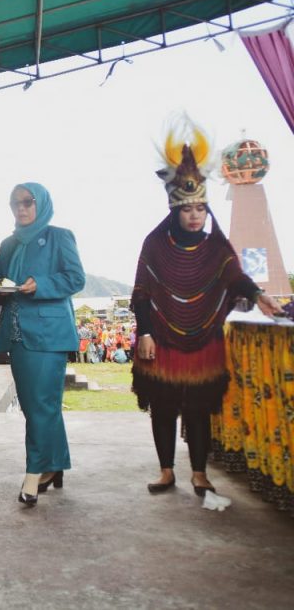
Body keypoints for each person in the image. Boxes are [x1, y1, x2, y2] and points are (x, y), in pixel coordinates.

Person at [132, 118, 282, 497]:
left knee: (199, 409)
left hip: (205, 343)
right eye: (187, 210)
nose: (195, 215)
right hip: (161, 340)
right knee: (164, 408)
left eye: (200, 208)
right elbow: (142, 293)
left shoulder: (217, 246)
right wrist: (145, 332)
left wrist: (262, 296)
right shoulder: (154, 243)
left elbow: (235, 276)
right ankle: (167, 471)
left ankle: (199, 473)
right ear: (175, 211)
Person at [0, 183, 84, 506]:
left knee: (40, 404)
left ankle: (34, 473)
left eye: (28, 202)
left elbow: (75, 278)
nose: (21, 208)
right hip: (16, 334)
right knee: (37, 405)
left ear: (40, 204)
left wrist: (39, 284)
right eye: (15, 203)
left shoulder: (60, 236)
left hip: (49, 334)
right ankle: (54, 466)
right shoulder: (8, 243)